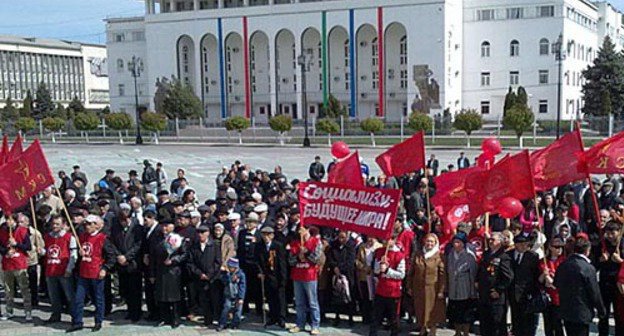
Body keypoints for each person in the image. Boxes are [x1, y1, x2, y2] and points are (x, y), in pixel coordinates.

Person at [67, 215, 116, 332]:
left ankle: (98, 321)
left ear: (97, 225)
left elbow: (111, 256)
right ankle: (77, 321)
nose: (87, 226)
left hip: (96, 273)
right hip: (83, 273)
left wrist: (105, 268)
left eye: (90, 224)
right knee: (78, 299)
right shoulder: (82, 237)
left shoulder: (103, 238)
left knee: (98, 299)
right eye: (86, 224)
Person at [554, 236, 606, 336]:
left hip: (566, 309)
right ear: (587, 250)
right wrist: (601, 310)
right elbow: (594, 292)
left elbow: (556, 283)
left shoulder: (563, 265)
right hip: (582, 310)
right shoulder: (588, 268)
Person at [477, 232, 513, 336]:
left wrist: (499, 290)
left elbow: (508, 277)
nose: (490, 241)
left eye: (493, 239)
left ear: (500, 242)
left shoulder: (504, 256)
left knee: (497, 326)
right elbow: (481, 270)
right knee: (485, 325)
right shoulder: (486, 254)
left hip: (496, 297)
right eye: (490, 239)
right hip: (484, 294)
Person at [288, 225, 323, 335]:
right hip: (297, 275)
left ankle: (315, 325)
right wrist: (298, 257)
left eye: (301, 229)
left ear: (307, 230)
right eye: (298, 230)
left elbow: (316, 258)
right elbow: (290, 260)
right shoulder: (294, 243)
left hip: (310, 276)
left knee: (312, 302)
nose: (299, 232)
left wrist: (307, 253)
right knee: (299, 303)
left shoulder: (316, 242)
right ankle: (300, 324)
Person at [152, 221, 187, 328]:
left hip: (173, 271)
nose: (165, 228)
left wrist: (174, 260)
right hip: (161, 270)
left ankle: (176, 318)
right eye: (163, 226)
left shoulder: (178, 238)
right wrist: (152, 273)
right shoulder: (157, 238)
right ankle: (164, 318)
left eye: (167, 225)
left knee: (174, 296)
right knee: (162, 295)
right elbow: (153, 256)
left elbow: (184, 254)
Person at [44, 215, 78, 323]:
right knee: (53, 296)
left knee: (69, 296)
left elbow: (74, 254)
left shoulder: (69, 237)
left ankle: (75, 316)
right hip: (50, 270)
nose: (54, 226)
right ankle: (56, 315)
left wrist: (69, 268)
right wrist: (41, 251)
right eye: (53, 224)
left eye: (57, 224)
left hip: (64, 270)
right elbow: (46, 252)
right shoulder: (48, 237)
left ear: (63, 225)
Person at [111, 213, 144, 322]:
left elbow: (138, 245)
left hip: (133, 264)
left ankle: (136, 313)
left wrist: (127, 257)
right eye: (121, 220)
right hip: (121, 263)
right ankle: (129, 311)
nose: (122, 222)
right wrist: (119, 256)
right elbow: (113, 244)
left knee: (135, 290)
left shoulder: (137, 228)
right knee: (126, 290)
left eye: (124, 220)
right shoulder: (116, 228)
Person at [369, 236, 405, 336]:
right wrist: (380, 265)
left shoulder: (399, 255)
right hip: (381, 289)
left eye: (390, 239)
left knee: (393, 317)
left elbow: (401, 275)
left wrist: (387, 270)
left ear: (394, 240)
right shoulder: (379, 252)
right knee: (376, 316)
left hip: (393, 291)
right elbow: (376, 271)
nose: (388, 242)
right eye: (386, 239)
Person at [187, 225, 222, 327]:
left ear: (208, 233)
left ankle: (218, 318)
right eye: (199, 233)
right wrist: (199, 274)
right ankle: (208, 319)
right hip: (200, 278)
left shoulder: (214, 245)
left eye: (203, 232)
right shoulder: (194, 247)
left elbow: (217, 261)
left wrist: (209, 274)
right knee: (203, 299)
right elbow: (191, 263)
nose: (200, 235)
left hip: (213, 278)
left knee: (215, 298)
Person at [411, 233, 445, 336]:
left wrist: (441, 290)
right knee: (420, 309)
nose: (429, 243)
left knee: (433, 310)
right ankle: (423, 327)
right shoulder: (418, 254)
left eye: (432, 242)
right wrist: (409, 286)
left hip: (433, 288)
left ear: (435, 243)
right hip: (419, 287)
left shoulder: (439, 256)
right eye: (428, 241)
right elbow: (411, 272)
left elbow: (442, 275)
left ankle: (433, 329)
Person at [0, 214, 33, 321]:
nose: (7, 222)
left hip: (19, 263)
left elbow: (28, 246)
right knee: (8, 289)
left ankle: (28, 311)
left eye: (9, 220)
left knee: (24, 288)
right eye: (6, 219)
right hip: (7, 263)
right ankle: (9, 310)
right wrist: (5, 251)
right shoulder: (2, 230)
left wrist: (17, 244)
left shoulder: (22, 230)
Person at [507, 234, 540, 336]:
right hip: (512, 292)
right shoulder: (508, 255)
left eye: (526, 244)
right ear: (516, 244)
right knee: (515, 319)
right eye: (521, 244)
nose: (524, 246)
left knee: (527, 321)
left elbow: (535, 275)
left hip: (527, 293)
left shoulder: (533, 256)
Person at [255, 226, 288, 328]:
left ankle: (281, 318)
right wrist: (259, 272)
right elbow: (257, 261)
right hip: (266, 276)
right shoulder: (259, 246)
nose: (266, 237)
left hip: (277, 276)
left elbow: (282, 263)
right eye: (264, 234)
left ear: (272, 235)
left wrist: (283, 278)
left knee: (280, 298)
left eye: (268, 234)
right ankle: (273, 317)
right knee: (270, 298)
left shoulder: (278, 246)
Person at [446, 232, 477, 336]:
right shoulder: (450, 254)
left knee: (465, 313)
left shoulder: (469, 256)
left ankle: (466, 333)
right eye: (454, 242)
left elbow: (473, 274)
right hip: (453, 288)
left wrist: (473, 291)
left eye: (458, 242)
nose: (456, 245)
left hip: (465, 288)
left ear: (463, 244)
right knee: (455, 313)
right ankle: (457, 332)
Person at [597, 221, 624, 336]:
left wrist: (621, 261)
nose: (610, 236)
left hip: (619, 285)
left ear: (619, 232)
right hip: (605, 282)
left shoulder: (622, 245)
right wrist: (600, 260)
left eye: (613, 233)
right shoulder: (602, 244)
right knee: (603, 314)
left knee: (619, 315)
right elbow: (593, 264)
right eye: (608, 233)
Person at [326, 230, 356, 326]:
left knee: (349, 295)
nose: (341, 240)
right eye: (340, 237)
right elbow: (330, 257)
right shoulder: (334, 245)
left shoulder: (351, 246)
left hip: (348, 274)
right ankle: (337, 316)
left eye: (343, 237)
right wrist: (335, 267)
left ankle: (350, 317)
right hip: (335, 273)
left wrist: (341, 269)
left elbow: (350, 261)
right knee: (337, 296)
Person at [539, 236, 566, 336]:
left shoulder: (564, 261)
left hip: (560, 298)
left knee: (558, 325)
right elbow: (540, 280)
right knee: (548, 325)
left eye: (561, 247)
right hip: (548, 298)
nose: (559, 249)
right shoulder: (544, 261)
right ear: (550, 247)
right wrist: (544, 274)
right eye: (556, 247)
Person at [141, 210, 163, 321]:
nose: (145, 222)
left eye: (146, 219)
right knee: (149, 290)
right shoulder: (147, 230)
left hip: (155, 265)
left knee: (155, 290)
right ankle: (152, 311)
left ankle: (157, 313)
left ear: (152, 218)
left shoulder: (159, 230)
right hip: (148, 264)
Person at [355, 236, 381, 324]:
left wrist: (373, 268)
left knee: (375, 298)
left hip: (375, 276)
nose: (370, 239)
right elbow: (357, 261)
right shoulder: (362, 247)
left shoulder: (379, 247)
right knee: (365, 297)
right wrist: (364, 267)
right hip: (364, 275)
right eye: (369, 237)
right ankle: (366, 317)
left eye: (372, 237)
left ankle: (376, 318)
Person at [218, 257, 247, 331]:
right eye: (229, 267)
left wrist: (241, 297)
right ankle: (222, 323)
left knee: (238, 310)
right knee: (226, 308)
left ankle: (235, 323)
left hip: (237, 295)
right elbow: (223, 281)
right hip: (228, 294)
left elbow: (242, 286)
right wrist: (224, 274)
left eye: (232, 267)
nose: (230, 268)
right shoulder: (227, 274)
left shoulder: (241, 275)